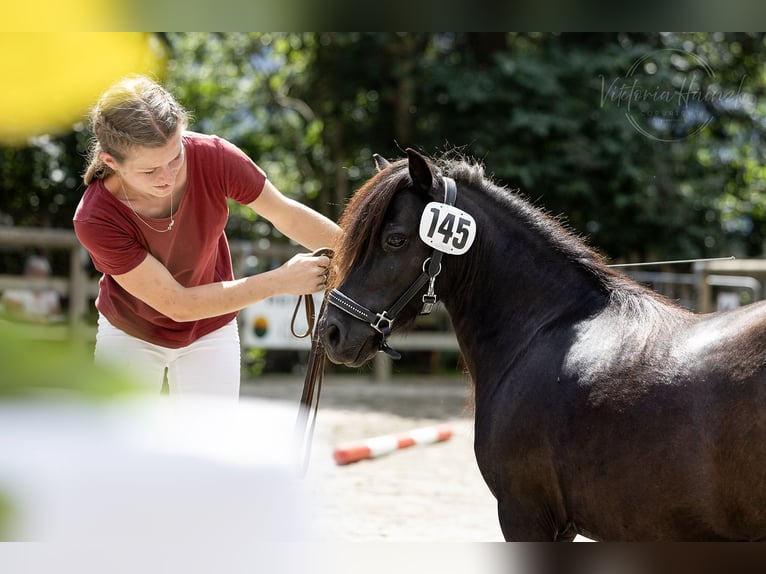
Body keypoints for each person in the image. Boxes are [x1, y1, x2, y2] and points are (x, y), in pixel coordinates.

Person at [73, 75, 340, 398]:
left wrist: (360, 255)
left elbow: (285, 214)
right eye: (150, 170)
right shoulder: (95, 217)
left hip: (212, 327)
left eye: (176, 158)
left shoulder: (213, 156)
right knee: (119, 445)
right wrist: (280, 280)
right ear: (110, 162)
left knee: (212, 443)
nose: (168, 177)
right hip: (131, 331)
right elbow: (178, 304)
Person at [1, 255, 63, 324]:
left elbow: (55, 314)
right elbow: (13, 312)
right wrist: (38, 320)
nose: (39, 276)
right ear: (26, 272)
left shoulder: (50, 292)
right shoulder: (14, 287)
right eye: (35, 272)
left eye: (42, 273)